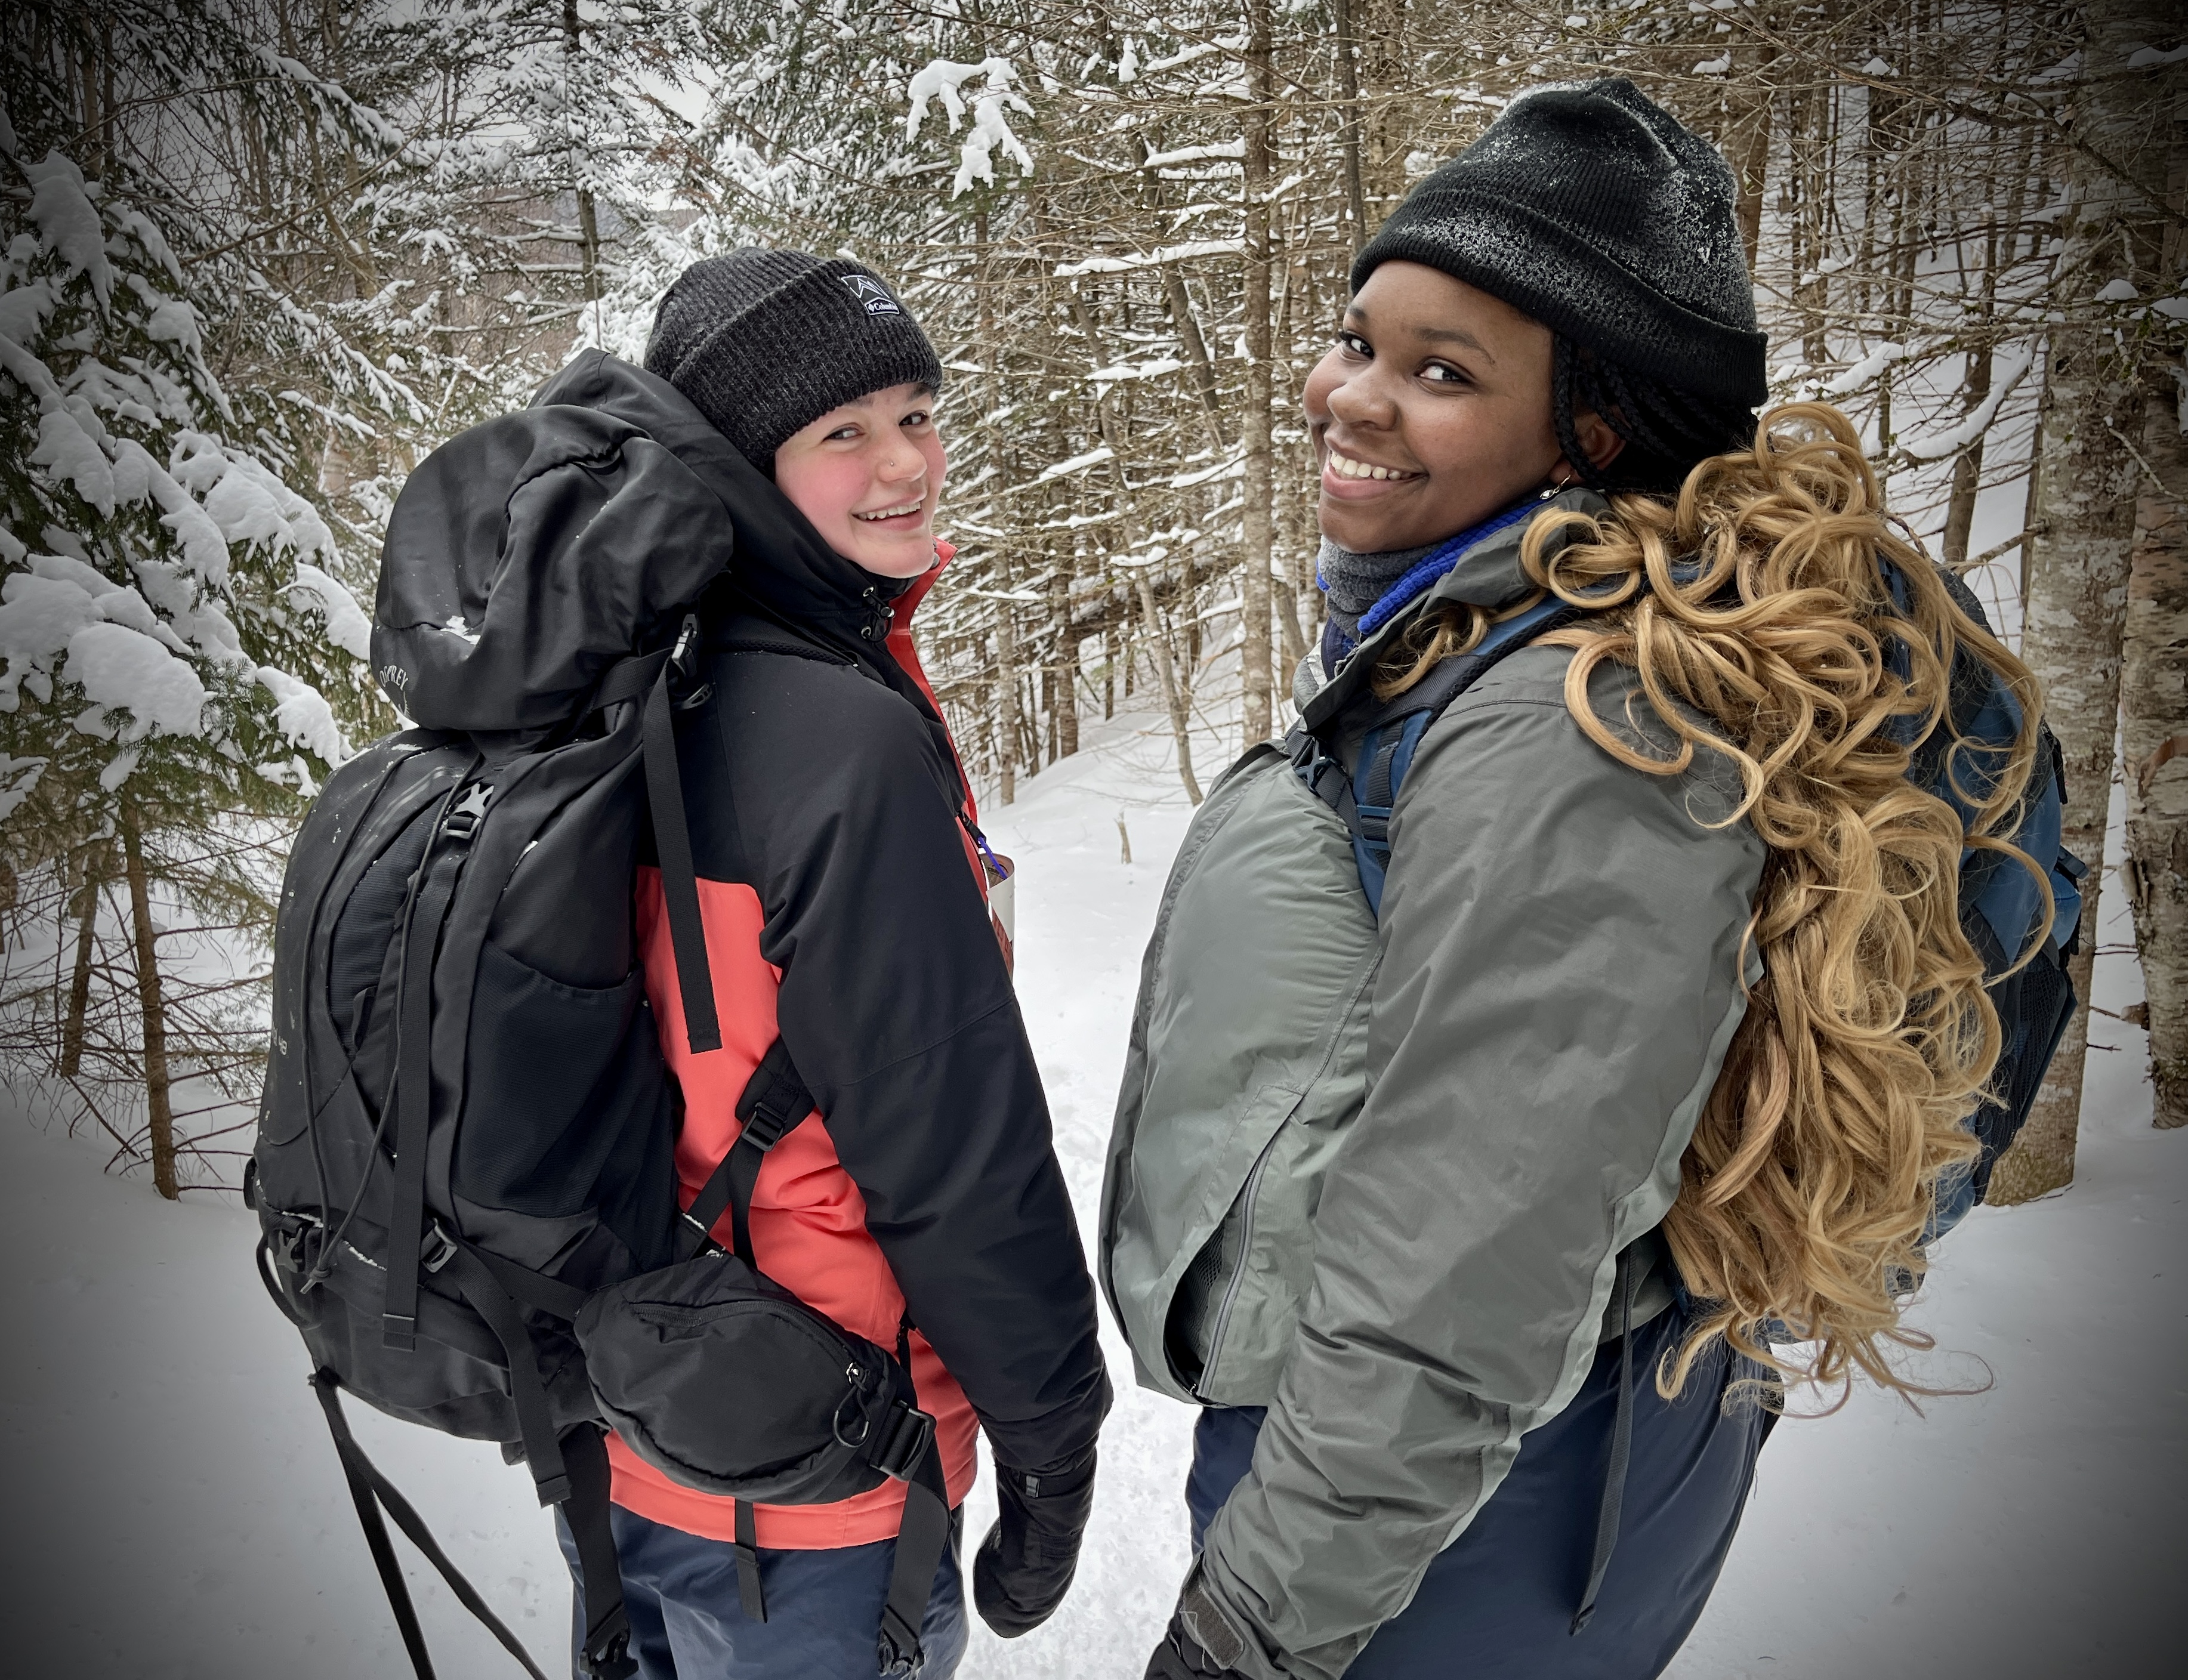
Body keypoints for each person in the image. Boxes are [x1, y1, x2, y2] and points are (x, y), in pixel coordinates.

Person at [1100, 81, 2047, 1680]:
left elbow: (1467, 1256)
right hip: (1511, 1455)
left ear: (1592, 433)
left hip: (1459, 1502)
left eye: (1442, 372)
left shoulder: (1575, 722)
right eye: (1355, 339)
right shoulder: (1492, 634)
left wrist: (1256, 1623)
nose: (1347, 396)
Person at [535, 251, 1110, 1676]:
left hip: (627, 1441)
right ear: (740, 469)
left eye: (916, 412)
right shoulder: (838, 745)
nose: (907, 461)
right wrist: (1054, 1440)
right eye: (843, 431)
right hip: (821, 1477)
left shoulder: (634, 693)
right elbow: (954, 1150)